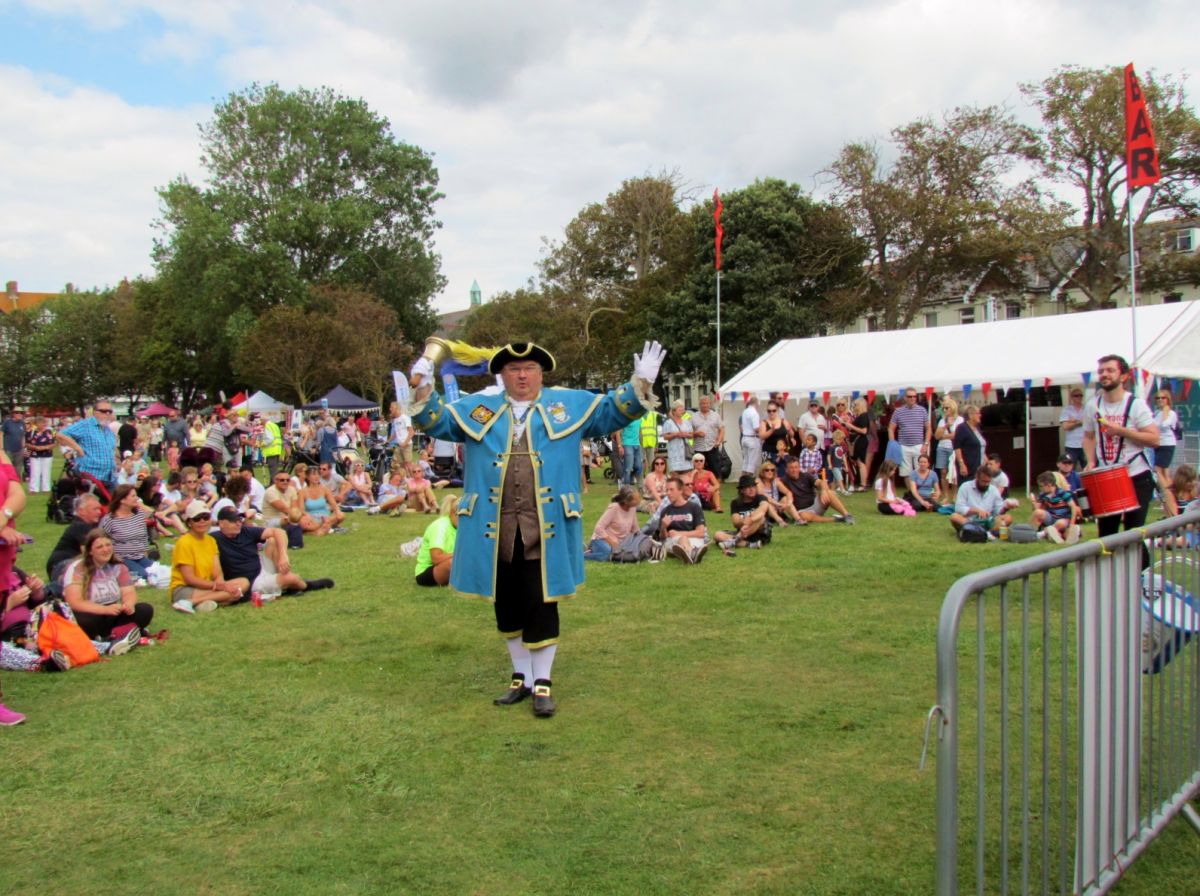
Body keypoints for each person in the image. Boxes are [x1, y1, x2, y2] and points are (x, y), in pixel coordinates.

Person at [410, 338, 664, 718]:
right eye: (513, 369)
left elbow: (612, 411)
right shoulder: (479, 409)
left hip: (547, 527)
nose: (522, 375)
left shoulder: (568, 405)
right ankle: (521, 678)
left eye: (529, 368)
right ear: (502, 374)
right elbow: (434, 421)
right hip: (494, 528)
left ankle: (542, 682)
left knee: (542, 600)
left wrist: (640, 383)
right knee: (506, 602)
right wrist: (423, 386)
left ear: (541, 373)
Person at [1082, 354, 1159, 537]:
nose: (1104, 374)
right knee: (1107, 535)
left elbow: (1154, 439)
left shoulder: (1136, 405)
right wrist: (1091, 461)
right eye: (1101, 371)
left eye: (1110, 370)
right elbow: (1088, 437)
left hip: (1136, 474)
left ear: (1124, 376)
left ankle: (1139, 558)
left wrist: (1121, 431)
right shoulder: (1093, 405)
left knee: (1133, 535)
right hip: (1106, 476)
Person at [62, 529, 153, 647]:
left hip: (112, 612)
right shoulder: (77, 569)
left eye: (108, 545)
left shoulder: (118, 566)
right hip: (89, 612)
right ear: (90, 551)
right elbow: (74, 602)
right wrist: (104, 609)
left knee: (145, 609)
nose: (105, 550)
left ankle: (114, 635)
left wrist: (128, 604)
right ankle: (119, 634)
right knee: (85, 620)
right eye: (99, 547)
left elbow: (129, 591)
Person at [212, 507, 332, 596]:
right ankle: (304, 586)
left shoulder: (245, 531)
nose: (238, 522)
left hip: (261, 567)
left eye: (240, 518)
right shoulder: (214, 539)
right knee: (292, 578)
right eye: (233, 520)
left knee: (273, 541)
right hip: (251, 581)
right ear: (221, 523)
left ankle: (284, 581)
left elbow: (279, 532)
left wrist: (283, 556)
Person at [169, 500, 246, 613]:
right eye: (197, 518)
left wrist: (221, 583)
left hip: (208, 586)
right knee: (233, 593)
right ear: (189, 522)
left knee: (243, 582)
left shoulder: (210, 541)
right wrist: (219, 587)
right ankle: (193, 601)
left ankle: (195, 602)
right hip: (185, 588)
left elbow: (217, 572)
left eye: (206, 517)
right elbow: (189, 579)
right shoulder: (184, 543)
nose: (202, 521)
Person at [56, 402, 118, 491]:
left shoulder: (107, 428)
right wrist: (77, 448)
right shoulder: (85, 425)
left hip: (109, 476)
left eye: (110, 411)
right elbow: (61, 435)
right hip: (90, 476)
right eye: (104, 411)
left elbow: (111, 449)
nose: (107, 414)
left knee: (118, 498)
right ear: (95, 412)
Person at [777, 455, 855, 524]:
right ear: (786, 469)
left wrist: (823, 491)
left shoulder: (806, 476)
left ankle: (847, 515)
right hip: (801, 512)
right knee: (802, 515)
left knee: (829, 493)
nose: (794, 470)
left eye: (796, 467)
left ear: (799, 467)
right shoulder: (783, 481)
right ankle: (836, 519)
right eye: (791, 468)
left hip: (815, 504)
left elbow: (821, 482)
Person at [100, 485, 155, 581]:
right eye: (133, 496)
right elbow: (101, 539)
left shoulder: (139, 515)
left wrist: (145, 553)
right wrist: (112, 556)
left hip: (140, 556)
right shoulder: (110, 519)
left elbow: (144, 536)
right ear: (122, 500)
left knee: (156, 571)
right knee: (144, 575)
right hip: (121, 558)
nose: (137, 498)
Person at [46, 493, 104, 581]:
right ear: (81, 511)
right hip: (61, 565)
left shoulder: (90, 525)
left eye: (99, 509)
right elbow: (88, 553)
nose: (99, 512)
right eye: (95, 509)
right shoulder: (80, 526)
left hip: (67, 564)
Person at [949, 465, 1012, 538]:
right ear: (977, 477)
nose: (986, 484)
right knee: (954, 517)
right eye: (983, 481)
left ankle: (980, 533)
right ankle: (982, 532)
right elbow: (959, 508)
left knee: (1008, 518)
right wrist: (976, 511)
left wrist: (1005, 508)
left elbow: (998, 511)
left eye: (988, 482)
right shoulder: (965, 487)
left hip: (988, 521)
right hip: (969, 520)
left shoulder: (994, 490)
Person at [714, 474, 772, 554]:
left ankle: (735, 540)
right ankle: (750, 545)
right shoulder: (735, 503)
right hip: (743, 532)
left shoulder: (761, 498)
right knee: (718, 535)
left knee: (761, 518)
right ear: (741, 490)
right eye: (748, 487)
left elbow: (763, 509)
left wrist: (751, 520)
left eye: (753, 486)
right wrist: (744, 522)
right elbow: (735, 522)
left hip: (760, 533)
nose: (752, 489)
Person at [584, 486, 641, 562]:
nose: (639, 500)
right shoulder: (614, 508)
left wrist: (641, 539)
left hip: (620, 543)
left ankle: (592, 550)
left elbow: (635, 529)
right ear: (626, 501)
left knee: (618, 554)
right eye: (636, 499)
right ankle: (582, 555)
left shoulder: (632, 508)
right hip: (602, 539)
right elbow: (598, 528)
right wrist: (612, 543)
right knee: (607, 555)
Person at [659, 475, 708, 564]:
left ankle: (688, 553)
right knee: (682, 540)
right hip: (673, 541)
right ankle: (692, 554)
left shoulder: (694, 507)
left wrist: (680, 533)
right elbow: (663, 538)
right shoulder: (665, 511)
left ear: (680, 490)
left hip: (693, 539)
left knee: (684, 539)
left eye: (671, 490)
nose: (668, 493)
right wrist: (663, 527)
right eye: (667, 490)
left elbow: (701, 533)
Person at [413, 495, 460, 585]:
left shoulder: (461, 528)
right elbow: (436, 558)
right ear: (452, 512)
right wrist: (460, 555)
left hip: (447, 563)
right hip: (427, 571)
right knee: (453, 563)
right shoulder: (440, 527)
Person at [889, 387, 931, 478]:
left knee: (921, 471)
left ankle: (918, 487)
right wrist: (893, 444)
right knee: (905, 473)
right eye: (910, 396)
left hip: (918, 445)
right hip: (903, 446)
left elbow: (928, 428)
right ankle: (911, 487)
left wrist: (926, 444)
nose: (912, 398)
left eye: (914, 396)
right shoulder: (898, 411)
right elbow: (891, 428)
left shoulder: (922, 410)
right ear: (905, 398)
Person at [1030, 471, 1081, 544]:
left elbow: (1073, 507)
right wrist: (1033, 501)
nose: (1040, 488)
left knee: (1060, 523)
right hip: (1051, 518)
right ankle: (1029, 533)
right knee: (1037, 513)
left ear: (1049, 485)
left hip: (1064, 518)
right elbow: (1036, 509)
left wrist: (1072, 524)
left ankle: (1042, 534)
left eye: (1041, 486)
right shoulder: (1043, 495)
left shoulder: (1062, 493)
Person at [299, 466, 343, 534]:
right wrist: (307, 515)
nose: (317, 477)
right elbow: (301, 509)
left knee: (341, 515)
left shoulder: (325, 489)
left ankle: (319, 528)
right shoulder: (302, 492)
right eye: (314, 474)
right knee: (303, 522)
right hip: (311, 518)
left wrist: (338, 511)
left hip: (325, 516)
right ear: (307, 477)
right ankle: (324, 527)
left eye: (318, 474)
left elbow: (333, 504)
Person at [1152, 389, 1179, 499]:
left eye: (1163, 398)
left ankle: (1169, 496)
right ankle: (1170, 496)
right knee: (1164, 472)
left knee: (1158, 470)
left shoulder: (1171, 413)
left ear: (1168, 399)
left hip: (1167, 444)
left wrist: (1166, 411)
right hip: (1158, 444)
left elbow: (1165, 425)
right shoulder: (1156, 413)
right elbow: (1153, 426)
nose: (1160, 400)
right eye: (1158, 398)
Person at [933, 397, 962, 497]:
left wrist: (943, 436)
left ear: (953, 408)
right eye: (943, 408)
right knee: (943, 472)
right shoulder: (942, 421)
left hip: (954, 448)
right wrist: (945, 426)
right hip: (942, 448)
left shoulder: (959, 420)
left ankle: (955, 495)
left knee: (954, 472)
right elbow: (936, 436)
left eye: (946, 408)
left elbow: (956, 435)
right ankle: (946, 496)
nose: (944, 410)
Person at [691, 395, 725, 479]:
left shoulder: (715, 415)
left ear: (710, 404)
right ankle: (699, 486)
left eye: (706, 403)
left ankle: (716, 486)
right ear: (699, 404)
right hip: (699, 448)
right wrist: (696, 433)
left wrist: (718, 441)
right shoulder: (693, 416)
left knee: (716, 471)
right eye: (703, 403)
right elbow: (689, 433)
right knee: (698, 472)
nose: (705, 405)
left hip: (712, 447)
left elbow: (722, 429)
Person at [953, 405, 986, 482]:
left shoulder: (977, 428)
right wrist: (961, 464)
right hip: (968, 466)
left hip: (979, 465)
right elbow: (957, 447)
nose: (980, 415)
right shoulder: (962, 428)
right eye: (978, 413)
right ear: (970, 415)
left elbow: (980, 445)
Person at [662, 400, 694, 474]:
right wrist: (676, 434)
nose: (682, 411)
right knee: (675, 475)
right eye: (680, 410)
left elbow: (691, 435)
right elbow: (665, 437)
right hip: (674, 453)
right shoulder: (668, 423)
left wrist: (685, 434)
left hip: (685, 453)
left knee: (687, 474)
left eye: (682, 410)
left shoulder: (686, 422)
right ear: (674, 411)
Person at [847, 397, 872, 493]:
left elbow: (864, 431)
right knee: (859, 462)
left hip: (860, 440)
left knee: (861, 462)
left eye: (855, 405)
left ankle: (863, 484)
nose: (854, 407)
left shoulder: (864, 416)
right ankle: (861, 483)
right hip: (857, 441)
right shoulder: (860, 416)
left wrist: (851, 426)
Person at [25, 415, 55, 494]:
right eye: (40, 423)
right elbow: (26, 443)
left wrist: (45, 447)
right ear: (36, 424)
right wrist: (35, 447)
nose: (42, 424)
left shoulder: (51, 431)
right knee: (35, 472)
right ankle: (33, 489)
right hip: (35, 454)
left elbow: (54, 443)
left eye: (43, 423)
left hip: (47, 454)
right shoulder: (30, 432)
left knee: (46, 472)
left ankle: (46, 488)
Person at [1059, 387, 1087, 468]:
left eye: (1080, 395)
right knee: (1070, 468)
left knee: (1088, 468)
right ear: (1071, 397)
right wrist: (1079, 422)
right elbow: (1065, 426)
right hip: (1071, 445)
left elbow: (1091, 423)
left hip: (1085, 444)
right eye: (1076, 395)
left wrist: (1073, 421)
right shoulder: (1066, 410)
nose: (1079, 397)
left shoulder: (1087, 408)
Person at [739, 396, 763, 475]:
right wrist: (762, 428)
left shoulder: (745, 411)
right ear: (757, 403)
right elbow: (756, 428)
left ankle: (743, 479)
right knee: (752, 463)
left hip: (744, 437)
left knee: (745, 461)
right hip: (752, 438)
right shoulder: (754, 413)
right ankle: (748, 480)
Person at [1, 409, 26, 482]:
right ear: (13, 414)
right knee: (8, 467)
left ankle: (17, 482)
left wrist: (23, 446)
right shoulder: (7, 422)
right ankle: (7, 481)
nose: (20, 414)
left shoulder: (22, 423)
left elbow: (23, 435)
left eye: (21, 413)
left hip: (19, 449)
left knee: (18, 467)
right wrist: (1, 447)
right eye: (17, 412)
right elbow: (1, 434)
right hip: (8, 449)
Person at [617, 416, 643, 487]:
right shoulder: (626, 417)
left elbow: (639, 431)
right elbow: (618, 432)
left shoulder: (639, 418)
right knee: (628, 468)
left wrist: (641, 444)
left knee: (638, 467)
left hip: (637, 444)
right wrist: (620, 446)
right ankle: (626, 487)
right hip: (627, 444)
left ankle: (625, 479)